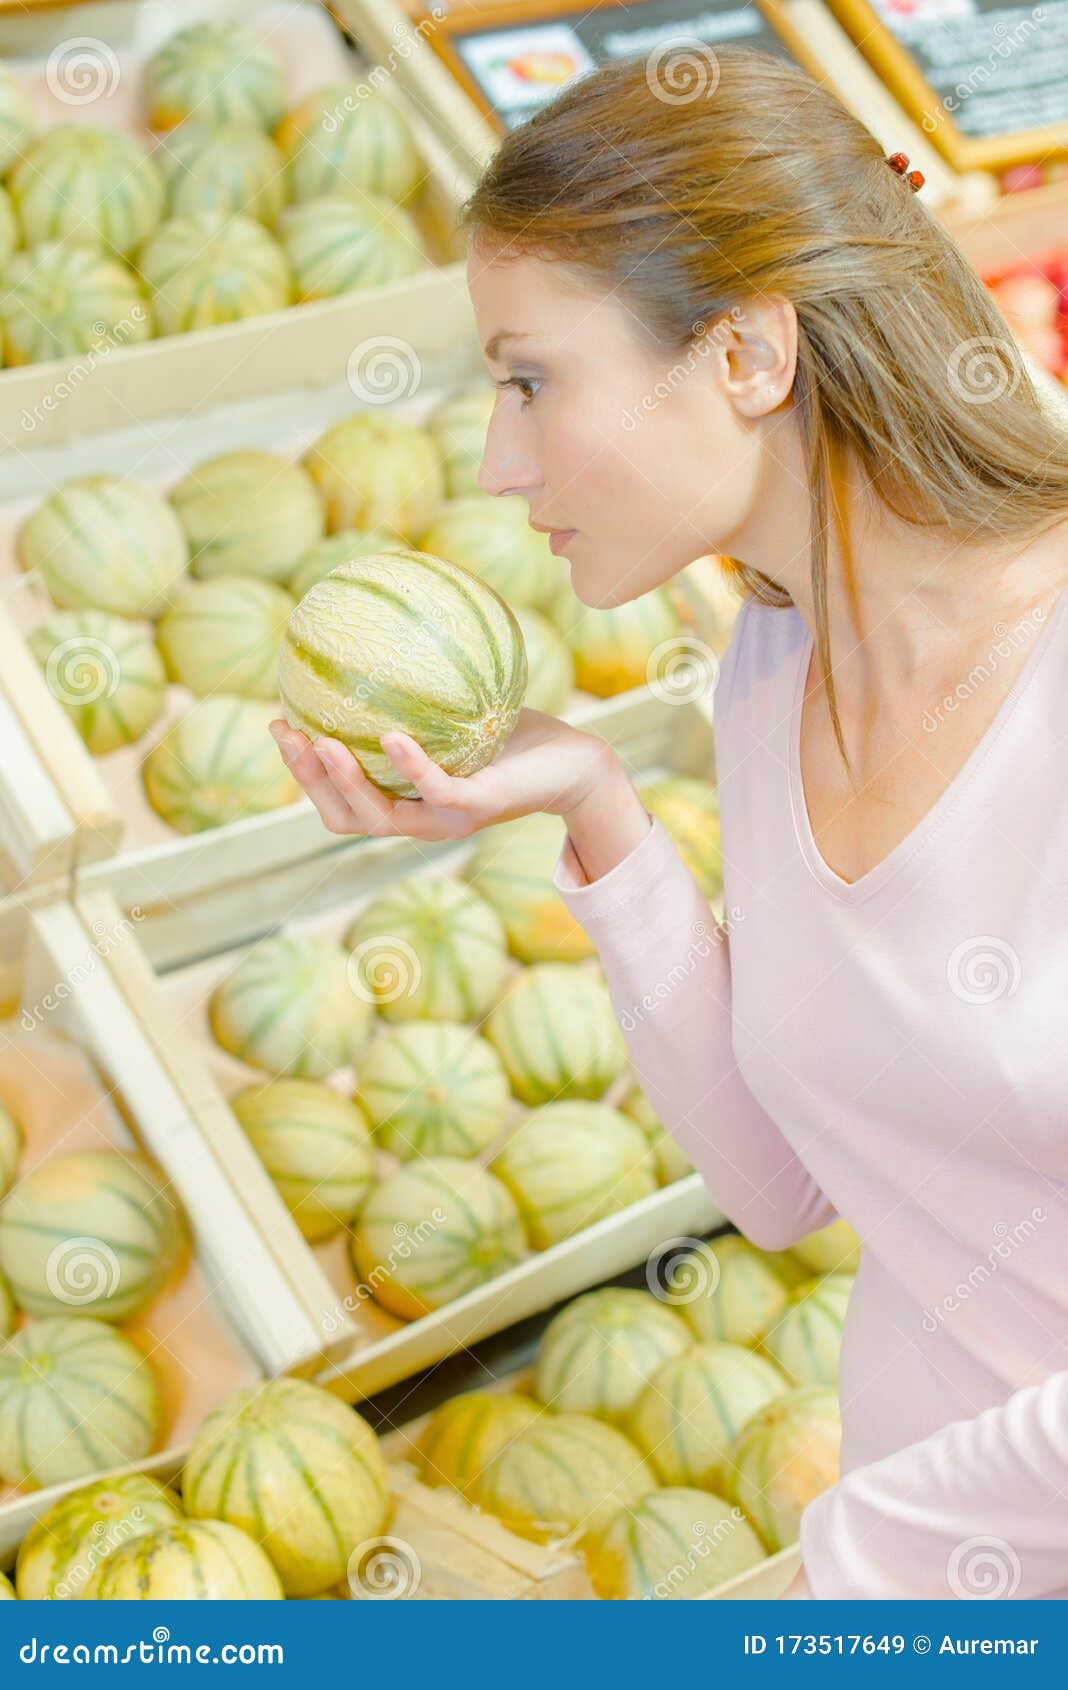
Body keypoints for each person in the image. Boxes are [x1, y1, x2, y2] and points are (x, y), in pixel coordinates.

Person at [270, 46, 1068, 1599]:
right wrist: (592, 805)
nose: (501, 463)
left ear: (748, 353)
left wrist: (857, 1571)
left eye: (528, 378)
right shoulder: (770, 671)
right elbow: (790, 1183)